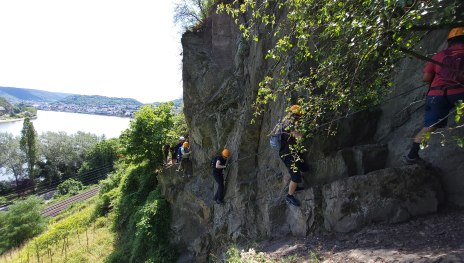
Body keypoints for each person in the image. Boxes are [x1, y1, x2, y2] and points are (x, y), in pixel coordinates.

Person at [403, 27, 464, 165]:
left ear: (450, 41)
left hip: (437, 94)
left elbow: (426, 78)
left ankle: (412, 156)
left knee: (428, 127)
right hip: (460, 92)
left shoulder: (439, 55)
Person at [280, 104, 309, 207]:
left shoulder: (289, 121)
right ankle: (289, 196)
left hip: (293, 151)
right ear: (295, 115)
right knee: (295, 176)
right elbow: (297, 136)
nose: (299, 118)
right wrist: (305, 135)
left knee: (304, 167)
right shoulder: (289, 122)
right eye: (299, 116)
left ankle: (295, 186)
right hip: (287, 153)